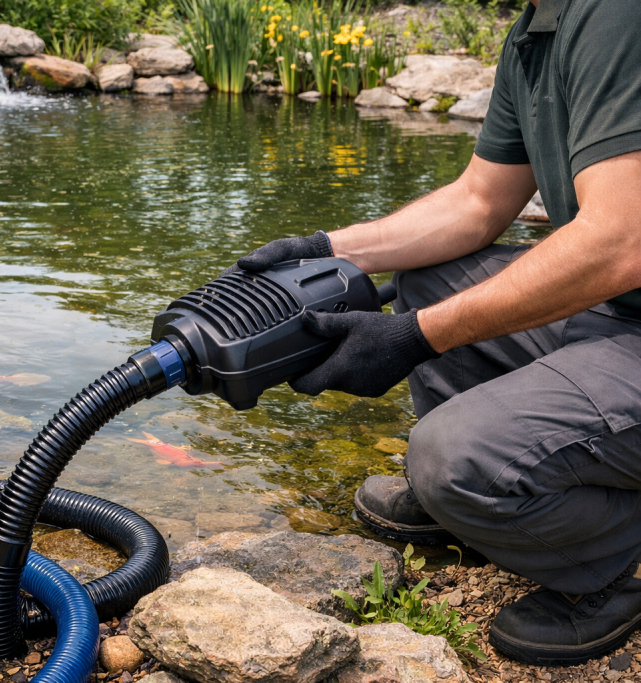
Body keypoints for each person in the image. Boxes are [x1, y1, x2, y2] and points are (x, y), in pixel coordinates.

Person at [230, 0, 641, 666]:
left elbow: (621, 241)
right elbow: (478, 203)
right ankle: (496, 502)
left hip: (628, 301)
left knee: (448, 455)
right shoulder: (537, 30)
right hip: (621, 311)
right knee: (429, 273)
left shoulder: (615, 13)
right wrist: (326, 248)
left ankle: (604, 557)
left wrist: (414, 337)